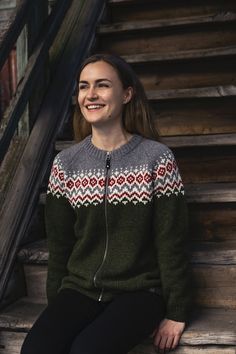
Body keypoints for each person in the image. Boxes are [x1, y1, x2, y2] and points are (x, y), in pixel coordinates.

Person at [21, 53, 191, 354]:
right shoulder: (66, 164)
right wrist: (56, 309)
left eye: (102, 85)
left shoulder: (157, 159)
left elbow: (172, 240)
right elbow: (60, 246)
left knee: (88, 350)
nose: (91, 95)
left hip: (140, 291)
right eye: (83, 86)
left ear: (127, 94)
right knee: (37, 349)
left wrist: (176, 311)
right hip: (80, 289)